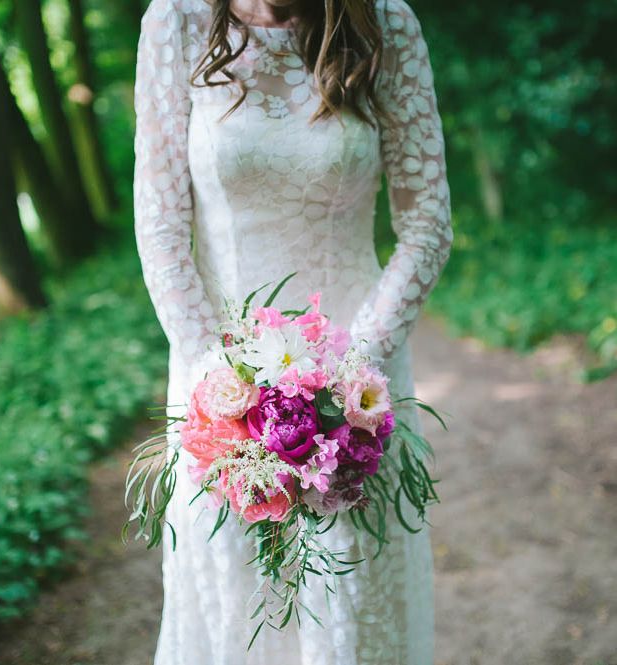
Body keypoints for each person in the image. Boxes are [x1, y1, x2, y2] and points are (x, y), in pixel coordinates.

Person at [132, 0, 452, 662]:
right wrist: (222, 389)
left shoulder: (384, 22)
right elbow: (160, 227)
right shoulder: (177, 21)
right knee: (239, 612)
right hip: (219, 392)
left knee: (353, 609)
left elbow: (426, 226)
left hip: (360, 390)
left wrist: (347, 379)